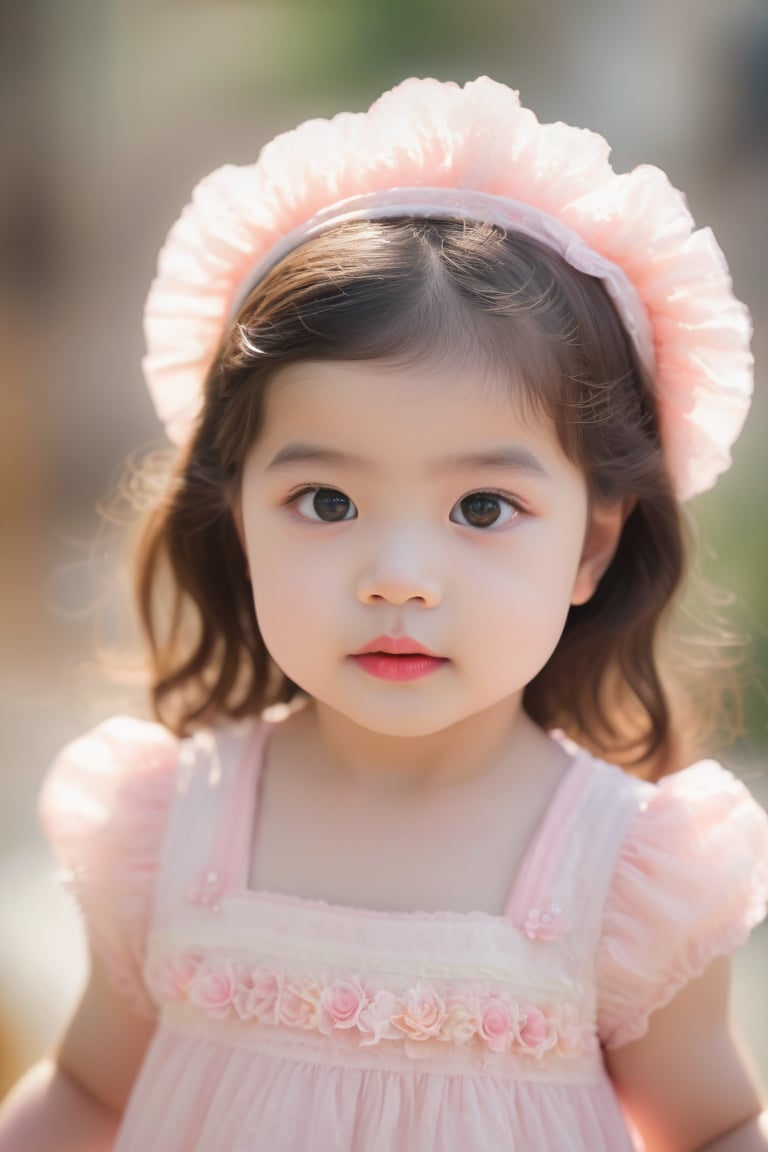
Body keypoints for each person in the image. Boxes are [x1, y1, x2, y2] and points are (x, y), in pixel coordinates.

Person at [0, 76, 767, 1152]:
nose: (398, 576)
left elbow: (713, 1128)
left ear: (592, 544)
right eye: (327, 502)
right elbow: (86, 1094)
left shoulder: (631, 878)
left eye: (483, 507)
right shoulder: (168, 828)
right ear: (237, 521)